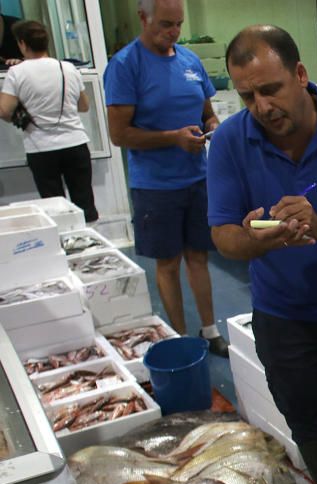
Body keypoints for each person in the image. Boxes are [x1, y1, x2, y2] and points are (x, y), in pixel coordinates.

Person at [207, 25, 317, 484]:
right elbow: (223, 235)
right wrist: (255, 240)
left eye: (270, 89)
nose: (261, 107)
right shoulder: (229, 141)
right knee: (308, 419)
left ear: (301, 74)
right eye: (247, 96)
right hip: (282, 313)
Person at [104, 0, 228, 356]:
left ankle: (208, 330)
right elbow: (119, 134)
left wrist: (214, 129)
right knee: (168, 262)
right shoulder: (126, 66)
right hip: (155, 185)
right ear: (142, 18)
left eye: (177, 24)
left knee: (199, 256)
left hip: (197, 178)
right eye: (164, 24)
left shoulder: (190, 61)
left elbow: (209, 114)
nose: (172, 32)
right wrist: (172, 138)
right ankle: (182, 338)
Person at [0, 20, 98, 222]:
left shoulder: (16, 73)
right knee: (85, 202)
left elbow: (4, 110)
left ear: (22, 44)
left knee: (55, 208)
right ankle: (94, 246)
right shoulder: (68, 68)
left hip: (40, 148)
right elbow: (84, 106)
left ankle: (66, 248)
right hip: (75, 144)